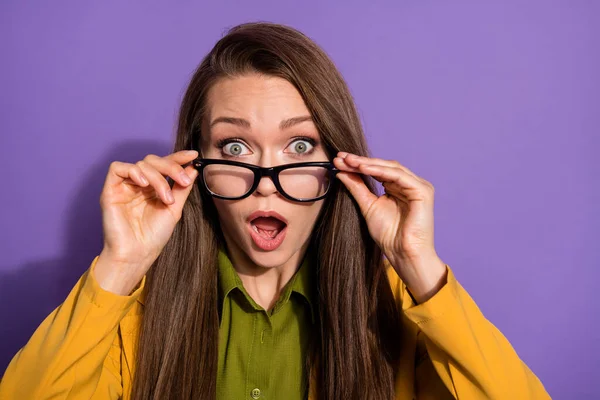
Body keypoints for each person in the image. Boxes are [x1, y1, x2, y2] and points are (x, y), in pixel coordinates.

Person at [0, 22, 549, 400]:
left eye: (300, 146)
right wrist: (119, 267)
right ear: (196, 167)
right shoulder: (136, 314)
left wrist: (422, 270)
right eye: (235, 148)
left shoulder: (397, 307)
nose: (266, 185)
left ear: (340, 165)